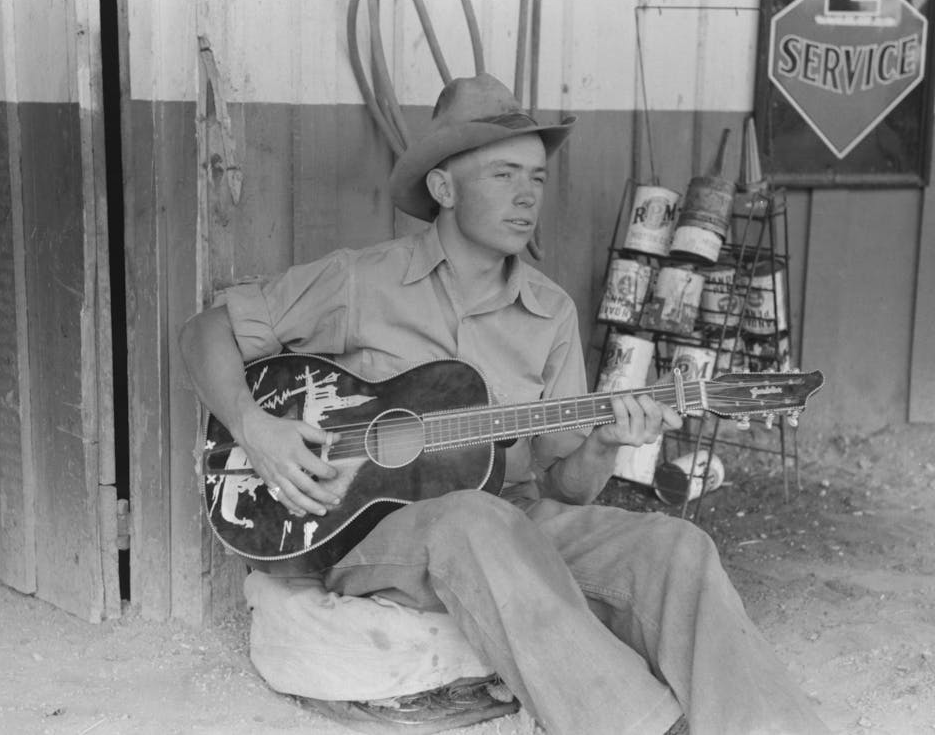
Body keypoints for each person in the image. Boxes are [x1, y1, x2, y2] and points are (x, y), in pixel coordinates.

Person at [179, 73, 830, 735]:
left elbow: (565, 490)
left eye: (537, 177)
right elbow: (206, 333)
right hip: (370, 534)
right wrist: (255, 428)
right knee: (473, 518)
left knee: (678, 548)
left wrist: (605, 442)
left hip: (513, 524)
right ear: (444, 188)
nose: (527, 196)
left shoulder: (550, 313)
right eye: (503, 175)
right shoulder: (360, 281)